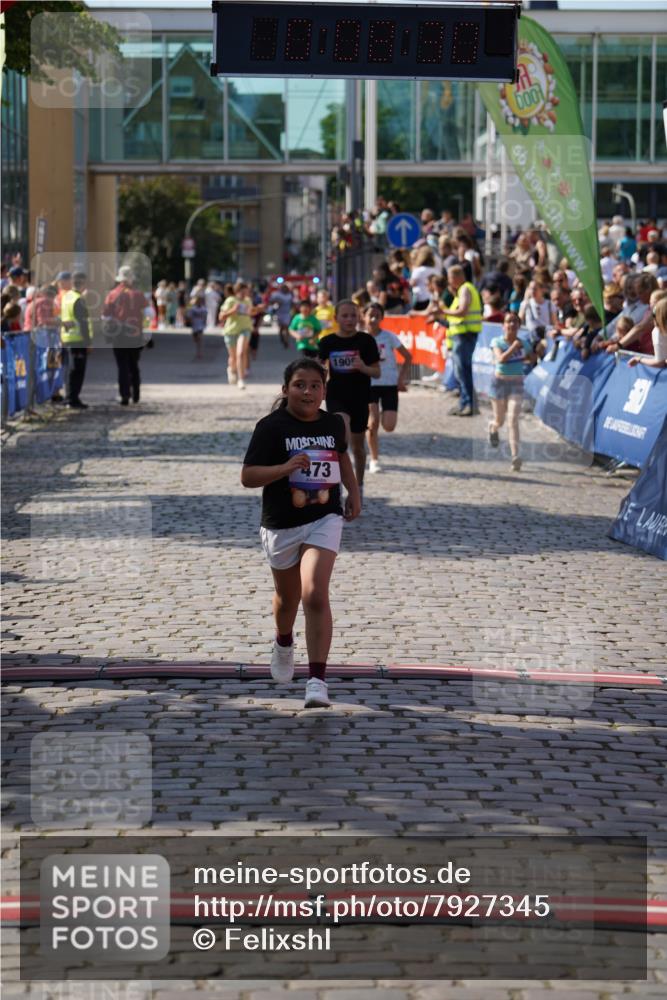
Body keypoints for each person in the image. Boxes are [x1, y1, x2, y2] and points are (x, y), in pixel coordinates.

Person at [241, 358, 361, 709]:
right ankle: (283, 641)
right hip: (281, 523)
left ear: (324, 391)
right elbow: (248, 477)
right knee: (287, 599)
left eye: (314, 385)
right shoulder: (271, 427)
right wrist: (285, 468)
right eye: (299, 384)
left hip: (324, 516)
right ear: (285, 389)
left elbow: (342, 458)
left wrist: (353, 493)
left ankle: (317, 681)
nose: (307, 391)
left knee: (314, 594)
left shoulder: (333, 423)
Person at [318, 300, 381, 495]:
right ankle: (336, 486)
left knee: (358, 447)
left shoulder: (366, 341)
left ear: (359, 317)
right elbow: (320, 369)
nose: (349, 320)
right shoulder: (327, 342)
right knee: (341, 437)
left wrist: (363, 367)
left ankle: (358, 486)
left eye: (353, 316)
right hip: (336, 395)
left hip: (360, 396)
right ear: (336, 318)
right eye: (345, 316)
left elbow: (377, 372)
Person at [363, 303, 411, 474]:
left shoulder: (389, 337)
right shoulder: (359, 338)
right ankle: (374, 460)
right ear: (364, 317)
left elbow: (407, 357)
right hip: (369, 385)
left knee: (389, 426)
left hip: (389, 383)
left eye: (377, 315)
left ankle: (383, 413)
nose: (374, 319)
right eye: (371, 315)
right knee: (372, 423)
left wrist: (401, 378)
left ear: (382, 318)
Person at [488, 312, 534, 472]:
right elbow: (500, 359)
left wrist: (537, 349)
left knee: (512, 419)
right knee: (499, 421)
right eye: (509, 321)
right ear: (503, 326)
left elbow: (533, 357)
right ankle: (492, 428)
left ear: (519, 326)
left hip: (516, 383)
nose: (512, 325)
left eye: (515, 322)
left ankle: (515, 456)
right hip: (499, 384)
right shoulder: (497, 342)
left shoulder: (524, 343)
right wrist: (514, 347)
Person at [439, 265, 483, 416]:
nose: (449, 282)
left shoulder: (465, 289)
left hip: (465, 335)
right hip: (462, 335)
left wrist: (443, 311)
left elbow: (462, 311)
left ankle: (469, 404)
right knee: (461, 372)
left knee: (463, 372)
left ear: (456, 276)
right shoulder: (463, 290)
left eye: (450, 278)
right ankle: (464, 403)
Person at [103, 265, 147, 405]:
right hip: (135, 334)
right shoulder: (138, 294)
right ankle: (136, 394)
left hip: (119, 334)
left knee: (122, 365)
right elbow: (148, 314)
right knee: (134, 364)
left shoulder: (112, 294)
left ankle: (124, 395)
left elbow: (105, 316)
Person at [60, 271, 92, 410]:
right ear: (83, 283)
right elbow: (83, 323)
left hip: (67, 337)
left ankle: (70, 397)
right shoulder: (78, 299)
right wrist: (88, 342)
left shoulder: (67, 296)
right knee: (78, 371)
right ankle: (73, 399)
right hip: (78, 339)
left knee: (70, 370)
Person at [219, 280, 253, 388]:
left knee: (241, 353)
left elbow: (250, 313)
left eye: (246, 292)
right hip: (231, 330)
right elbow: (221, 317)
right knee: (233, 357)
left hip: (245, 329)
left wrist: (258, 310)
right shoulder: (231, 300)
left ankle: (241, 379)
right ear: (237, 292)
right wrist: (232, 310)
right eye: (242, 292)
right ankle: (231, 370)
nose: (244, 295)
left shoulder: (248, 301)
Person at [628, 295, 667, 369]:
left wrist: (639, 359)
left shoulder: (658, 333)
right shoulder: (658, 332)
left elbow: (659, 362)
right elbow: (660, 361)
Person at [270, 283, 294, 348]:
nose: (285, 289)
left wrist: (293, 309)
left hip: (287, 313)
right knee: (281, 327)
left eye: (286, 288)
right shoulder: (277, 295)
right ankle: (282, 338)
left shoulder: (289, 295)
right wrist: (277, 302)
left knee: (286, 327)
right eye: (283, 288)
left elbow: (292, 303)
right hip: (280, 313)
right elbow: (271, 301)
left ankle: (286, 341)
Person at [186, 293, 208, 360]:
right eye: (198, 301)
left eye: (200, 301)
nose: (199, 303)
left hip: (200, 325)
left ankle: (199, 352)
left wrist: (204, 322)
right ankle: (198, 350)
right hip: (194, 325)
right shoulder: (193, 309)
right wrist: (190, 322)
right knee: (195, 338)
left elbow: (205, 316)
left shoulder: (203, 309)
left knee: (199, 339)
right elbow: (189, 317)